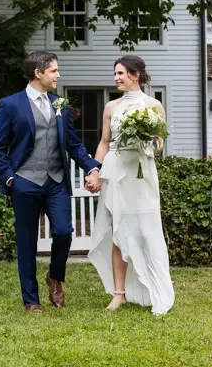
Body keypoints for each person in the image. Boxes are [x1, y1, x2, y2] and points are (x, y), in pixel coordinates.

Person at [0, 51, 102, 312]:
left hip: (56, 182)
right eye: (53, 70)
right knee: (27, 242)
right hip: (24, 183)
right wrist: (9, 180)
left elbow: (73, 145)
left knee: (64, 231)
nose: (58, 75)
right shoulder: (11, 104)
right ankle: (31, 300)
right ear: (37, 73)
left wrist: (92, 167)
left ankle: (55, 276)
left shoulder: (59, 104)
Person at [88, 55, 175, 315]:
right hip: (116, 171)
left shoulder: (153, 105)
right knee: (118, 229)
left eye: (120, 73)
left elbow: (160, 143)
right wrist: (94, 170)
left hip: (141, 172)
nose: (116, 78)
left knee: (147, 229)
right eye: (115, 74)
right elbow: (104, 142)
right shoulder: (111, 107)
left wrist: (146, 140)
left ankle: (155, 288)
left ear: (135, 75)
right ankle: (119, 294)